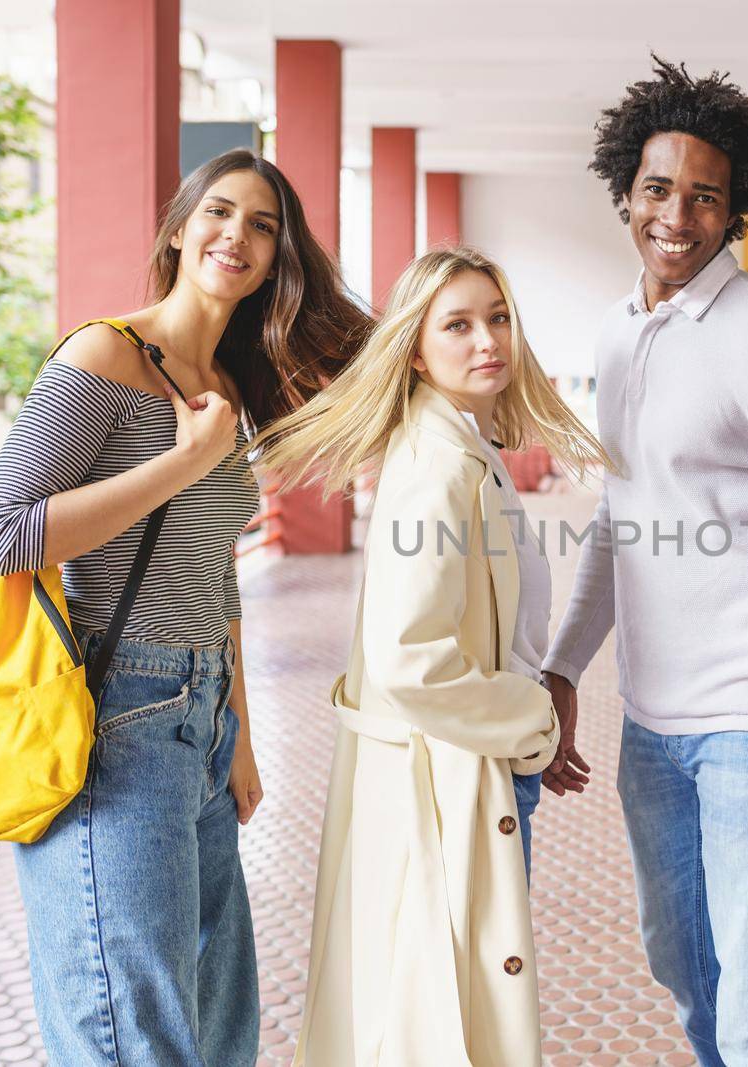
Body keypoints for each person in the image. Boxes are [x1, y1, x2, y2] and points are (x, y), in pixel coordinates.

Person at [0, 148, 372, 1065]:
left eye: (263, 226)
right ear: (180, 228)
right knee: (135, 1033)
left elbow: (213, 565)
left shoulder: (230, 387)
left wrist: (238, 724)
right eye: (221, 213)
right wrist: (185, 463)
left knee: (219, 1024)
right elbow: (6, 535)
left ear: (278, 259)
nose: (238, 235)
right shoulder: (106, 351)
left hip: (199, 718)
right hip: (115, 717)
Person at [542, 57, 748, 1065]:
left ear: (738, 212)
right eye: (657, 190)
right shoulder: (620, 330)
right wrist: (562, 667)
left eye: (704, 197)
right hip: (653, 731)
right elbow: (621, 514)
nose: (675, 216)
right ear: (623, 193)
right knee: (685, 971)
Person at [257, 247, 610, 1066]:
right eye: (457, 324)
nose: (487, 339)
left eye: (497, 317)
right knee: (444, 1009)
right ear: (415, 348)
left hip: (478, 753)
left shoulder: (464, 447)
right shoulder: (438, 466)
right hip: (454, 769)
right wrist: (533, 723)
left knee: (443, 1001)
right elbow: (411, 656)